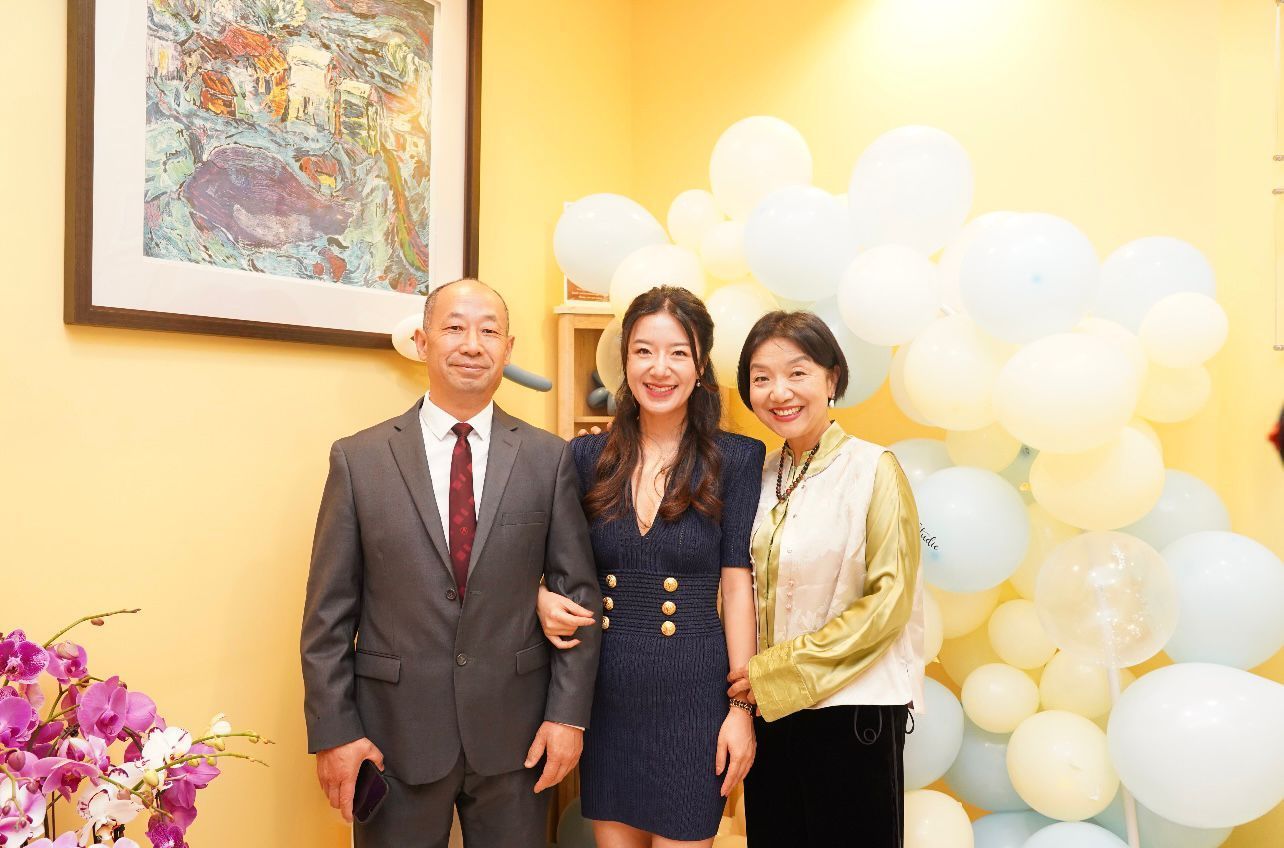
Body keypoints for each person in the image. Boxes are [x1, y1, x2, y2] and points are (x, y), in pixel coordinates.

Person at [300, 279, 603, 848]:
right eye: (455, 328)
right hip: (393, 735)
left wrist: (568, 718)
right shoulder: (359, 460)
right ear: (422, 341)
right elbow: (328, 617)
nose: (472, 344)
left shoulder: (547, 458)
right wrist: (335, 733)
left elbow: (577, 597)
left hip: (517, 737)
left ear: (508, 349)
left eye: (489, 331)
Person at [537, 286, 764, 847]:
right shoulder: (586, 457)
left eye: (678, 353)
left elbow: (738, 588)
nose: (659, 369)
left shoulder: (735, 457)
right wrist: (539, 596)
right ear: (624, 361)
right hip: (608, 693)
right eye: (643, 351)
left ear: (701, 364)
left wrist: (741, 709)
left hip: (694, 694)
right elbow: (555, 564)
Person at [727, 310, 925, 848]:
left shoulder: (874, 469)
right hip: (770, 715)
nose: (779, 391)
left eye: (798, 372)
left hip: (851, 717)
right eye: (761, 377)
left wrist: (778, 670)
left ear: (832, 378)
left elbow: (890, 602)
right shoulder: (760, 477)